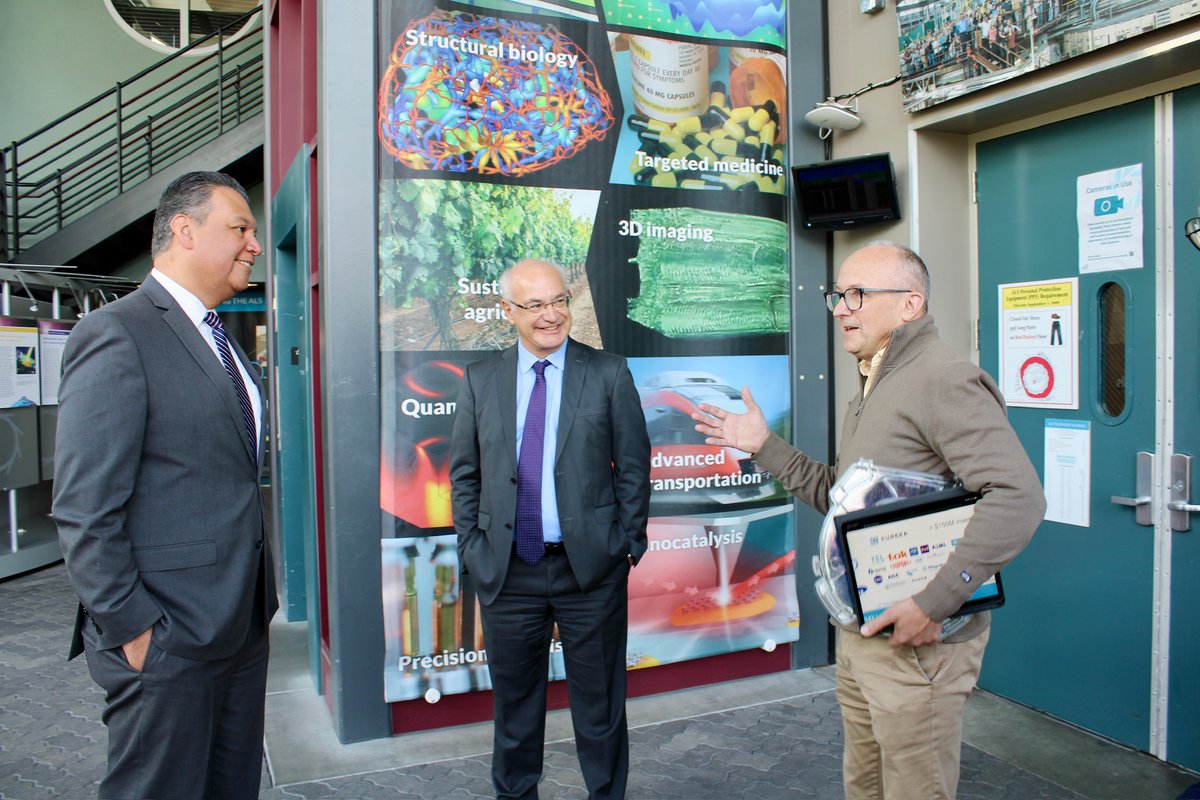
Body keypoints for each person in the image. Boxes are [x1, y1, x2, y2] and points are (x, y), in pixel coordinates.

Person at [692, 242, 1044, 800]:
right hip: (864, 634)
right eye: (837, 295)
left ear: (910, 304)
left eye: (857, 294)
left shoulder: (943, 378)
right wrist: (763, 445)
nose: (840, 308)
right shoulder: (873, 380)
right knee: (867, 787)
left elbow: (1018, 497)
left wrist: (934, 603)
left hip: (919, 640)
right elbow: (842, 499)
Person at [54, 171, 276, 800]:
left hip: (239, 627)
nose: (253, 244)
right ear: (184, 230)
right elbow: (83, 506)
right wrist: (134, 630)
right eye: (240, 228)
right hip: (168, 637)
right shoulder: (118, 333)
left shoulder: (222, 342)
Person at [450, 258, 651, 800]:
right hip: (507, 572)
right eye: (535, 304)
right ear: (508, 311)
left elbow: (634, 467)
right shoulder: (481, 380)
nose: (550, 315)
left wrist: (626, 546)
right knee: (515, 713)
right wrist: (473, 547)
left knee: (601, 712)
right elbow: (465, 475)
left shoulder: (608, 372)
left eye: (558, 300)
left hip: (591, 571)